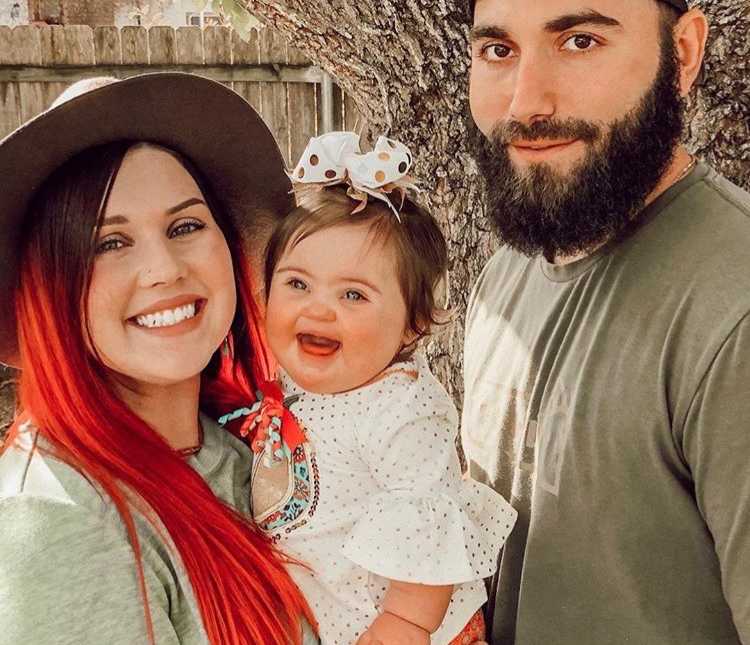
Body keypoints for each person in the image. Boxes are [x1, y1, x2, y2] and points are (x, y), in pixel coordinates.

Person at [463, 0, 750, 643]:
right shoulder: (504, 276)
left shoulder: (736, 312)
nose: (525, 104)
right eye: (498, 51)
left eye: (581, 41)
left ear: (683, 54)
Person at [0, 73, 318, 645]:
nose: (165, 269)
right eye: (110, 243)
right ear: (48, 287)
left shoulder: (250, 449)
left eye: (186, 226)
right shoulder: (61, 515)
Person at [221, 132, 516, 645]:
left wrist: (401, 626)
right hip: (335, 620)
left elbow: (427, 523)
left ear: (412, 325)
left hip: (407, 628)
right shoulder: (294, 385)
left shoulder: (400, 408)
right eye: (297, 284)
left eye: (354, 294)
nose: (318, 308)